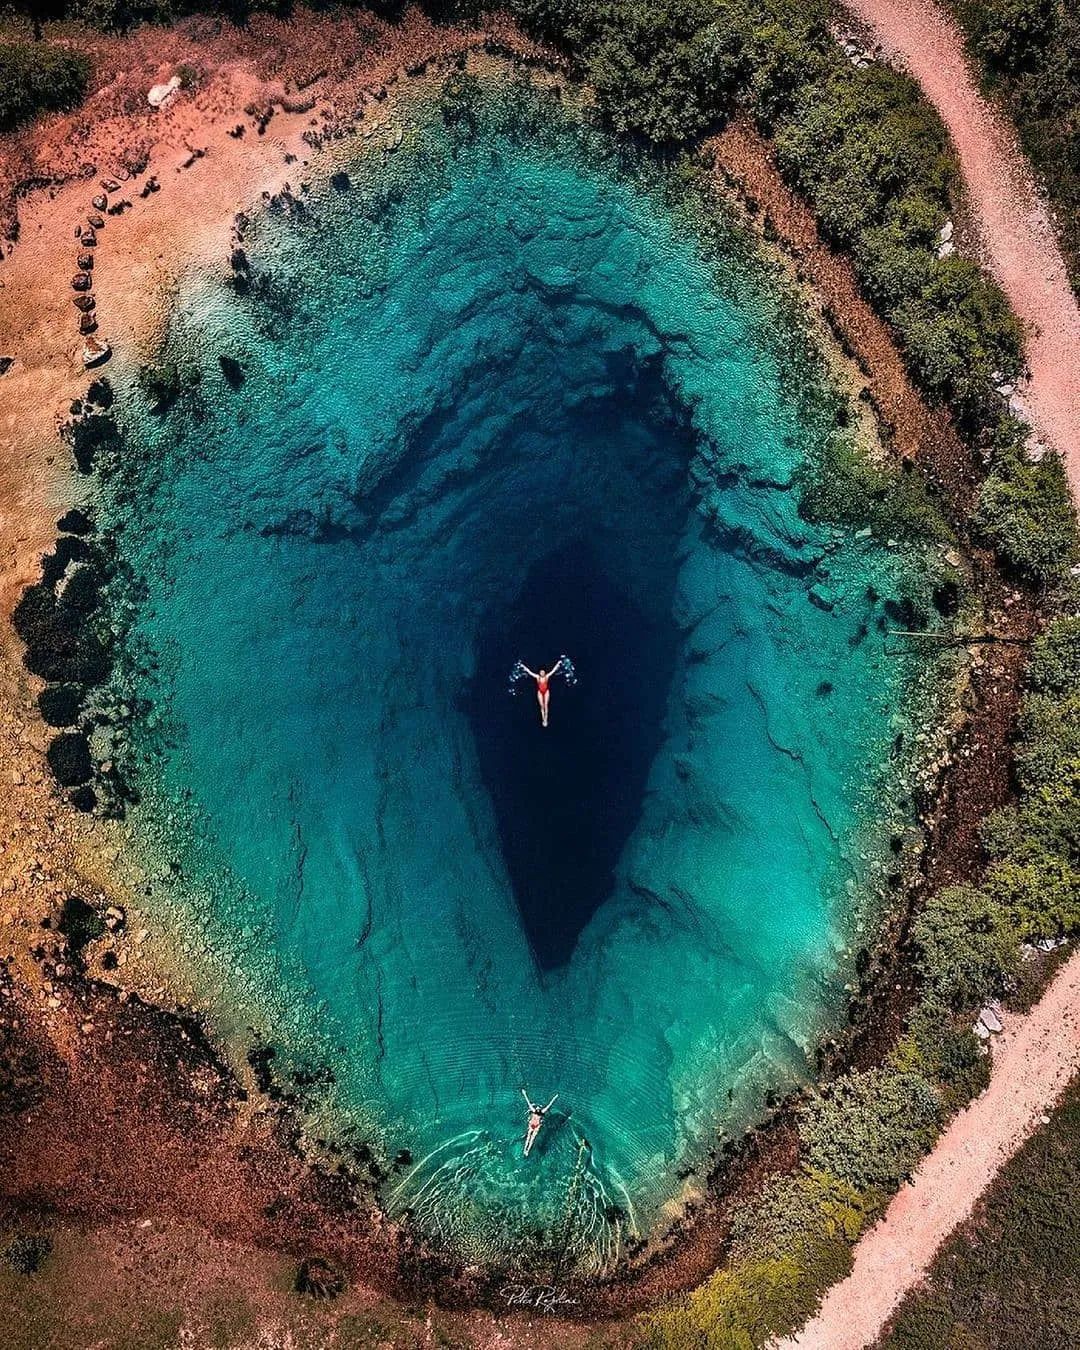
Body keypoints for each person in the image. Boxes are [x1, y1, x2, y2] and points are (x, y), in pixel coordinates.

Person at [519, 659, 562, 728]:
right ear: (539, 673)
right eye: (541, 672)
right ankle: (543, 719)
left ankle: (546, 719)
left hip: (546, 691)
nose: (542, 673)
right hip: (540, 692)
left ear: (544, 673)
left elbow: (553, 670)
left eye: (543, 672)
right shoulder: (537, 677)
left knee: (546, 705)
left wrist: (558, 663)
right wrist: (523, 666)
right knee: (541, 706)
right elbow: (529, 672)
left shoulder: (547, 676)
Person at [521, 1088, 558, 1157]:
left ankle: (526, 1150)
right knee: (531, 1139)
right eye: (538, 1107)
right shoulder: (542, 1112)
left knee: (529, 1138)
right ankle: (527, 1151)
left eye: (538, 1107)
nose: (538, 1107)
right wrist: (554, 1098)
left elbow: (528, 1102)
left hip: (533, 1124)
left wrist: (524, 1094)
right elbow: (549, 1105)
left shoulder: (534, 1110)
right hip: (536, 1125)